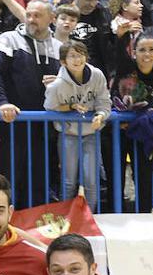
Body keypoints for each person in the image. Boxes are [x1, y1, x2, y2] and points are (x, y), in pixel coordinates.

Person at [0, 0, 61, 207]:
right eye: (29, 14)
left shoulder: (60, 47)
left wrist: (61, 83)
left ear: (52, 18)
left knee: (38, 186)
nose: (31, 19)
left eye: (37, 15)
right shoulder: (7, 39)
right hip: (8, 125)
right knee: (5, 184)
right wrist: (1, 103)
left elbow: (71, 85)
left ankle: (30, 236)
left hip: (44, 130)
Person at [44, 41, 110, 208]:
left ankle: (91, 219)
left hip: (91, 134)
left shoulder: (97, 75)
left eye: (80, 55)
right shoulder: (57, 85)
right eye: (72, 56)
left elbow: (104, 102)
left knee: (91, 181)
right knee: (68, 181)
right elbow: (50, 108)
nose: (77, 59)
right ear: (63, 61)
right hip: (68, 135)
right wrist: (70, 107)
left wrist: (101, 115)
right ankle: (66, 219)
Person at [109, 33, 153, 211]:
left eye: (152, 50)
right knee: (116, 175)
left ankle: (144, 215)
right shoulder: (126, 67)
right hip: (116, 131)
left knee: (144, 176)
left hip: (142, 134)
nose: (147, 54)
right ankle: (114, 216)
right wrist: (122, 35)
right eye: (142, 50)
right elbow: (119, 50)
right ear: (134, 52)